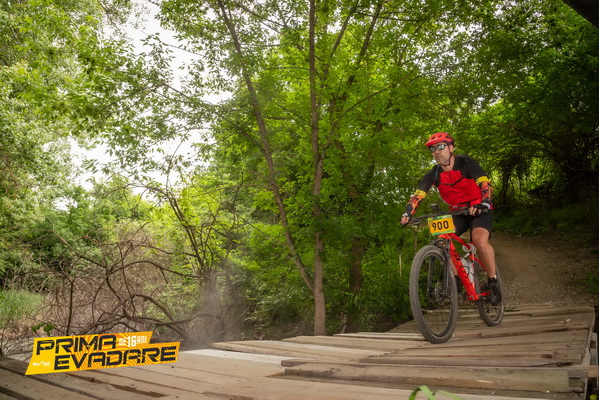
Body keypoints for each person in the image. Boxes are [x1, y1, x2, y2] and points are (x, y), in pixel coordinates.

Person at [400, 132, 502, 305]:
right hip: (457, 212)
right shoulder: (434, 173)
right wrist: (407, 213)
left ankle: (493, 282)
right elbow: (418, 194)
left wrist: (485, 202)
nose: (437, 151)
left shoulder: (466, 163)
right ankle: (455, 280)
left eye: (441, 147)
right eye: (433, 149)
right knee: (442, 240)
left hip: (478, 209)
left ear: (451, 148)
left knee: (479, 240)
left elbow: (484, 183)